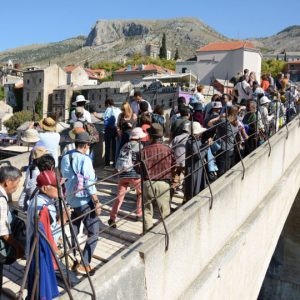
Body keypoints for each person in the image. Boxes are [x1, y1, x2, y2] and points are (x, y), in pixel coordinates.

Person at [60, 131, 101, 274]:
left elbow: (64, 177)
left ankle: (70, 258)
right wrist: (96, 201)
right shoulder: (85, 160)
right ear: (86, 146)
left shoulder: (65, 158)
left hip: (71, 199)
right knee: (94, 231)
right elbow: (89, 182)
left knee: (74, 229)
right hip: (85, 201)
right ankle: (85, 263)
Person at [108, 127, 147, 228]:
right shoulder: (140, 146)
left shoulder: (125, 145)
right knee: (140, 194)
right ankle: (139, 214)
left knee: (119, 197)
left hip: (123, 174)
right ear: (139, 137)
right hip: (135, 175)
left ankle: (112, 218)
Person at [141, 123, 175, 230]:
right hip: (164, 183)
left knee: (147, 212)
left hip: (148, 183)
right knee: (164, 213)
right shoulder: (168, 149)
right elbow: (174, 165)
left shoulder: (144, 151)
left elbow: (138, 168)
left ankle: (147, 235)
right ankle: (162, 233)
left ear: (150, 136)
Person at [0, 166, 24, 263]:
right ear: (8, 182)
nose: (18, 186)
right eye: (17, 182)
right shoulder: (1, 200)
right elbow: (3, 231)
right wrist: (18, 247)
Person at [185, 122, 212, 202]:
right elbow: (199, 156)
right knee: (194, 189)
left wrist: (206, 144)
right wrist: (207, 146)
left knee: (197, 187)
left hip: (197, 167)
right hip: (194, 168)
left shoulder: (195, 140)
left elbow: (199, 150)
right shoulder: (192, 142)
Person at [18, 146, 49, 211]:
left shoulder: (31, 167)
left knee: (23, 205)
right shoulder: (39, 170)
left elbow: (27, 183)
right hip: (35, 192)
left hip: (29, 190)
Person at [94, 99, 121, 168]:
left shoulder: (108, 109)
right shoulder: (118, 109)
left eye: (105, 105)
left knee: (107, 146)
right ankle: (115, 162)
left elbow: (104, 118)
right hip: (116, 129)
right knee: (115, 147)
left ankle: (107, 163)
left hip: (108, 130)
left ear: (108, 104)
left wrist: (95, 115)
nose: (105, 106)